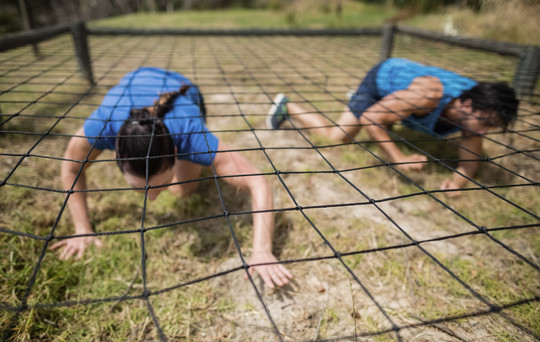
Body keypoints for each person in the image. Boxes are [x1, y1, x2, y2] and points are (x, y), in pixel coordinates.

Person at [52, 67, 293, 288]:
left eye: (160, 185)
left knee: (184, 191)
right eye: (141, 188)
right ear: (115, 154)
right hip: (138, 76)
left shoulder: (191, 135)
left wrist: (262, 250)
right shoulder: (102, 124)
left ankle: (186, 171)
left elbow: (258, 181)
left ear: (176, 152)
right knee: (180, 189)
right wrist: (82, 228)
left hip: (181, 87)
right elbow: (71, 168)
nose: (153, 199)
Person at [266, 57, 519, 196]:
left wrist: (456, 183)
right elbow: (371, 120)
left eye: (492, 126)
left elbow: (469, 163)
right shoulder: (428, 95)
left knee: (392, 113)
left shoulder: (477, 111)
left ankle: (387, 105)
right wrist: (399, 158)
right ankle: (289, 106)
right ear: (465, 104)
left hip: (403, 95)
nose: (485, 131)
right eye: (485, 123)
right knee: (337, 137)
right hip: (382, 80)